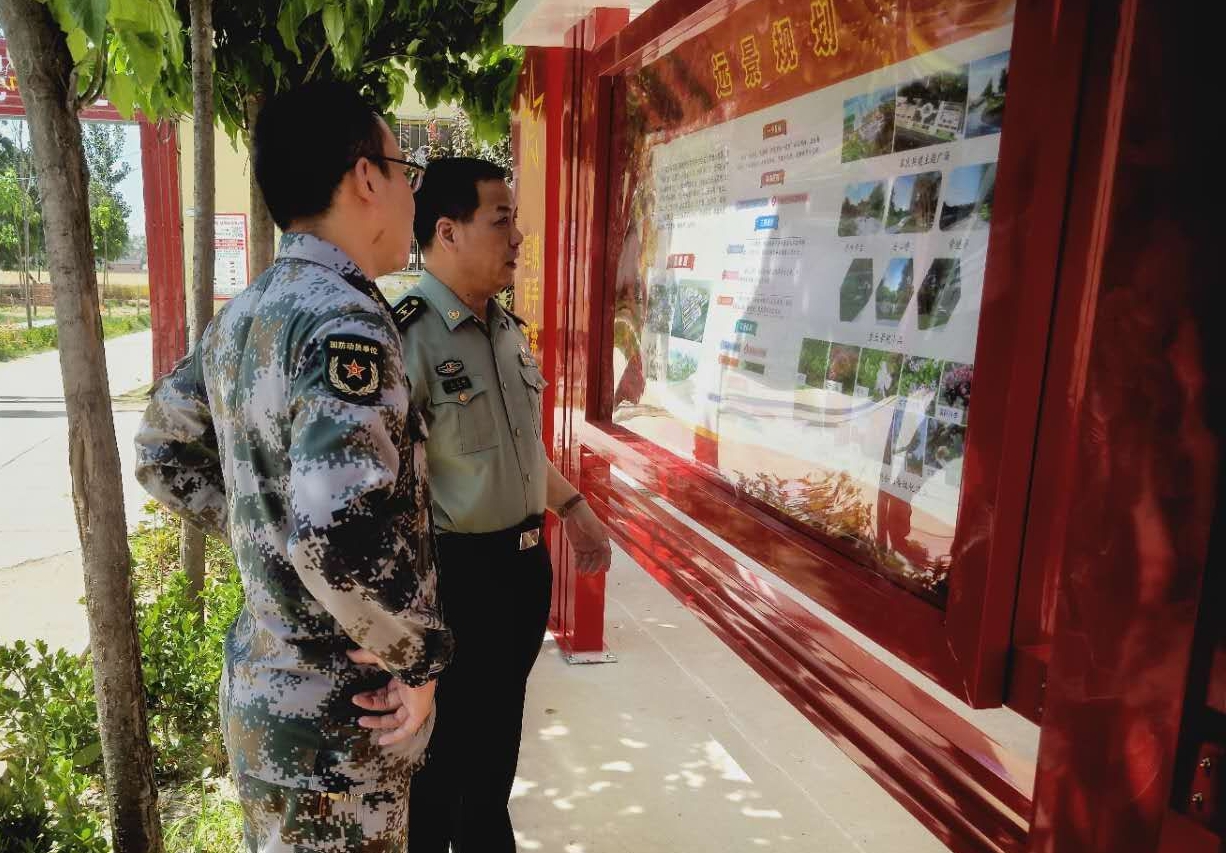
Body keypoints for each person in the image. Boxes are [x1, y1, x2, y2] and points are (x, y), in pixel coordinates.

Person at [134, 81, 452, 852]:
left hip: (267, 700)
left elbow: (159, 449)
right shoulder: (346, 319)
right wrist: (418, 658)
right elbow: (337, 535)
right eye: (405, 170)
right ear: (365, 177)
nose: (412, 193)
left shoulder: (247, 313)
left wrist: (261, 527)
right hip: (341, 723)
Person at [382, 157, 612, 853]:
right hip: (457, 580)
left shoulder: (506, 329)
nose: (518, 237)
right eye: (501, 220)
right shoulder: (405, 336)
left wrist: (573, 506)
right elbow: (381, 486)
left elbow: (518, 450)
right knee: (439, 772)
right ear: (447, 232)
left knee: (494, 758)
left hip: (520, 574)